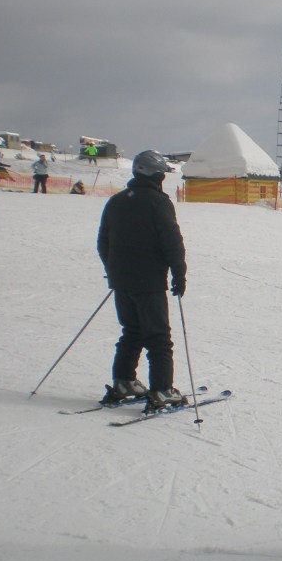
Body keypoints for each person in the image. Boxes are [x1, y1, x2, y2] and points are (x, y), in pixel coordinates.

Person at [97, 150, 188, 408]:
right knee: (158, 337)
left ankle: (124, 381)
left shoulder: (116, 201)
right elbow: (172, 240)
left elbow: (104, 242)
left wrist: (115, 270)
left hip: (122, 281)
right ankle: (162, 390)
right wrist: (179, 273)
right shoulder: (158, 202)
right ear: (156, 176)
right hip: (149, 282)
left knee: (132, 331)